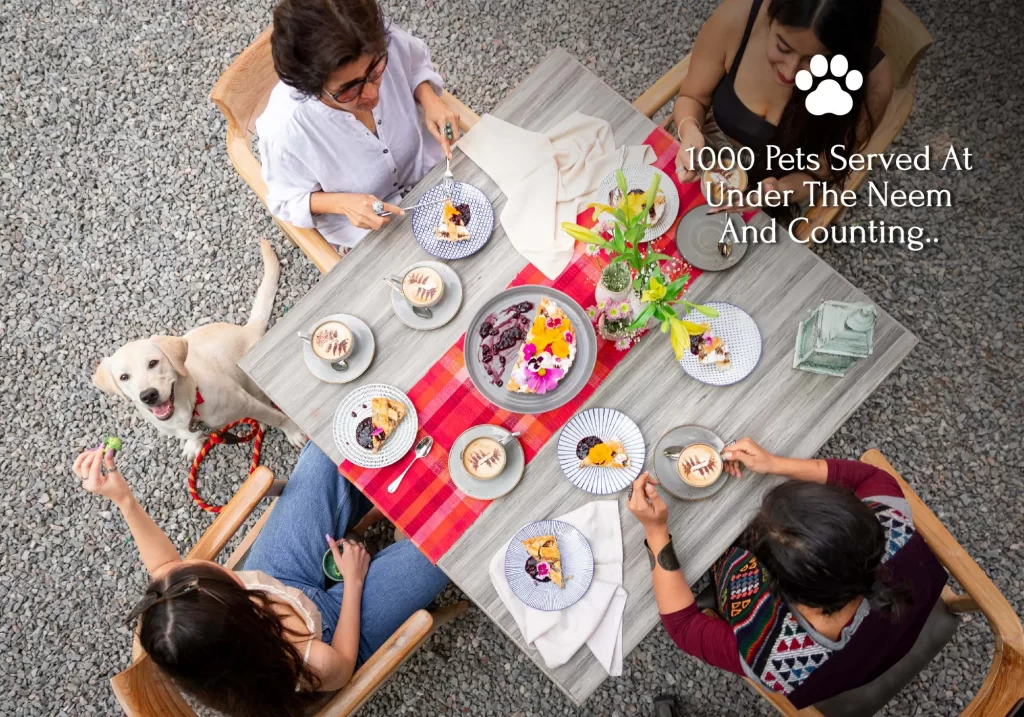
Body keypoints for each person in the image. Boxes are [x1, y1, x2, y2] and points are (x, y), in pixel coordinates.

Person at [73, 440, 448, 717]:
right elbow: (344, 664)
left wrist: (124, 500)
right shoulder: (304, 662)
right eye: (227, 579)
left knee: (327, 450)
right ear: (246, 610)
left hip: (280, 576)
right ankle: (406, 520)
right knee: (443, 543)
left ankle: (390, 495)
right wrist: (353, 582)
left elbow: (163, 566)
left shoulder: (187, 610)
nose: (218, 569)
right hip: (333, 631)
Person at [627, 438, 946, 708]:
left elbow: (684, 627)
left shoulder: (776, 656)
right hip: (899, 629)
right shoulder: (890, 520)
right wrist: (773, 463)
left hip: (842, 669)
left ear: (773, 585)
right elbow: (868, 477)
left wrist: (655, 532)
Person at [257, 0, 460, 249]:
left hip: (432, 172)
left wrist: (429, 99)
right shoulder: (285, 130)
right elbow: (284, 201)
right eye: (349, 90)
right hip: (369, 233)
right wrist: (343, 203)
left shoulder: (378, 41)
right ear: (310, 88)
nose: (372, 94)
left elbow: (415, 63)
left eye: (376, 71)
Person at [672, 0, 893, 212]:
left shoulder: (871, 83)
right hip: (704, 155)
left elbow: (820, 174)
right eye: (783, 47)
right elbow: (693, 98)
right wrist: (690, 130)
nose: (789, 72)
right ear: (771, 12)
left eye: (815, 61)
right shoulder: (738, 17)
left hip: (782, 190)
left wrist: (780, 191)